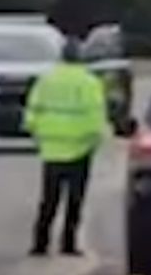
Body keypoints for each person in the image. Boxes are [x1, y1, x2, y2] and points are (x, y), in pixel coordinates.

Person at [24, 37, 109, 257]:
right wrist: (96, 139)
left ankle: (40, 243)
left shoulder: (46, 80)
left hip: (52, 148)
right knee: (75, 200)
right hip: (80, 149)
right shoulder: (89, 81)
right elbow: (96, 115)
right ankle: (68, 243)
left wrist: (37, 133)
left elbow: (32, 110)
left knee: (49, 199)